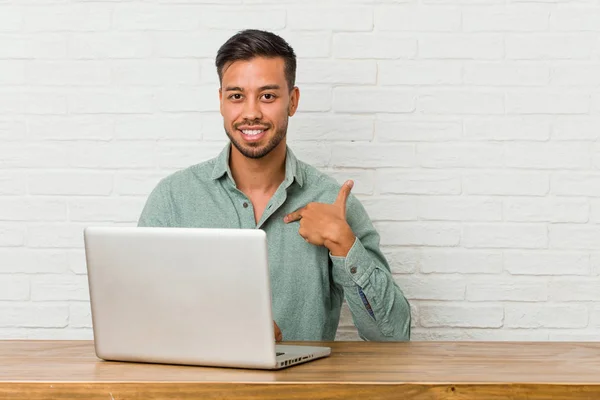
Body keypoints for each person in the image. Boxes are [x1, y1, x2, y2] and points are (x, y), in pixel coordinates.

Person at [137, 29, 411, 341]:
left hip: (300, 389)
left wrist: (346, 246)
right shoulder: (173, 200)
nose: (251, 113)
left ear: (292, 102)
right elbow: (138, 316)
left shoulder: (332, 203)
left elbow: (394, 338)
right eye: (236, 96)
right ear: (222, 102)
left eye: (267, 96)